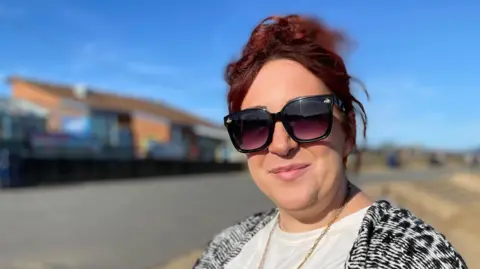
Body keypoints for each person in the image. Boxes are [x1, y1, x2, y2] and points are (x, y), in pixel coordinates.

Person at [193, 14, 467, 269]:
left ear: (348, 132)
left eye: (306, 117)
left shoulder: (415, 255)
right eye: (253, 125)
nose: (280, 145)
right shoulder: (224, 248)